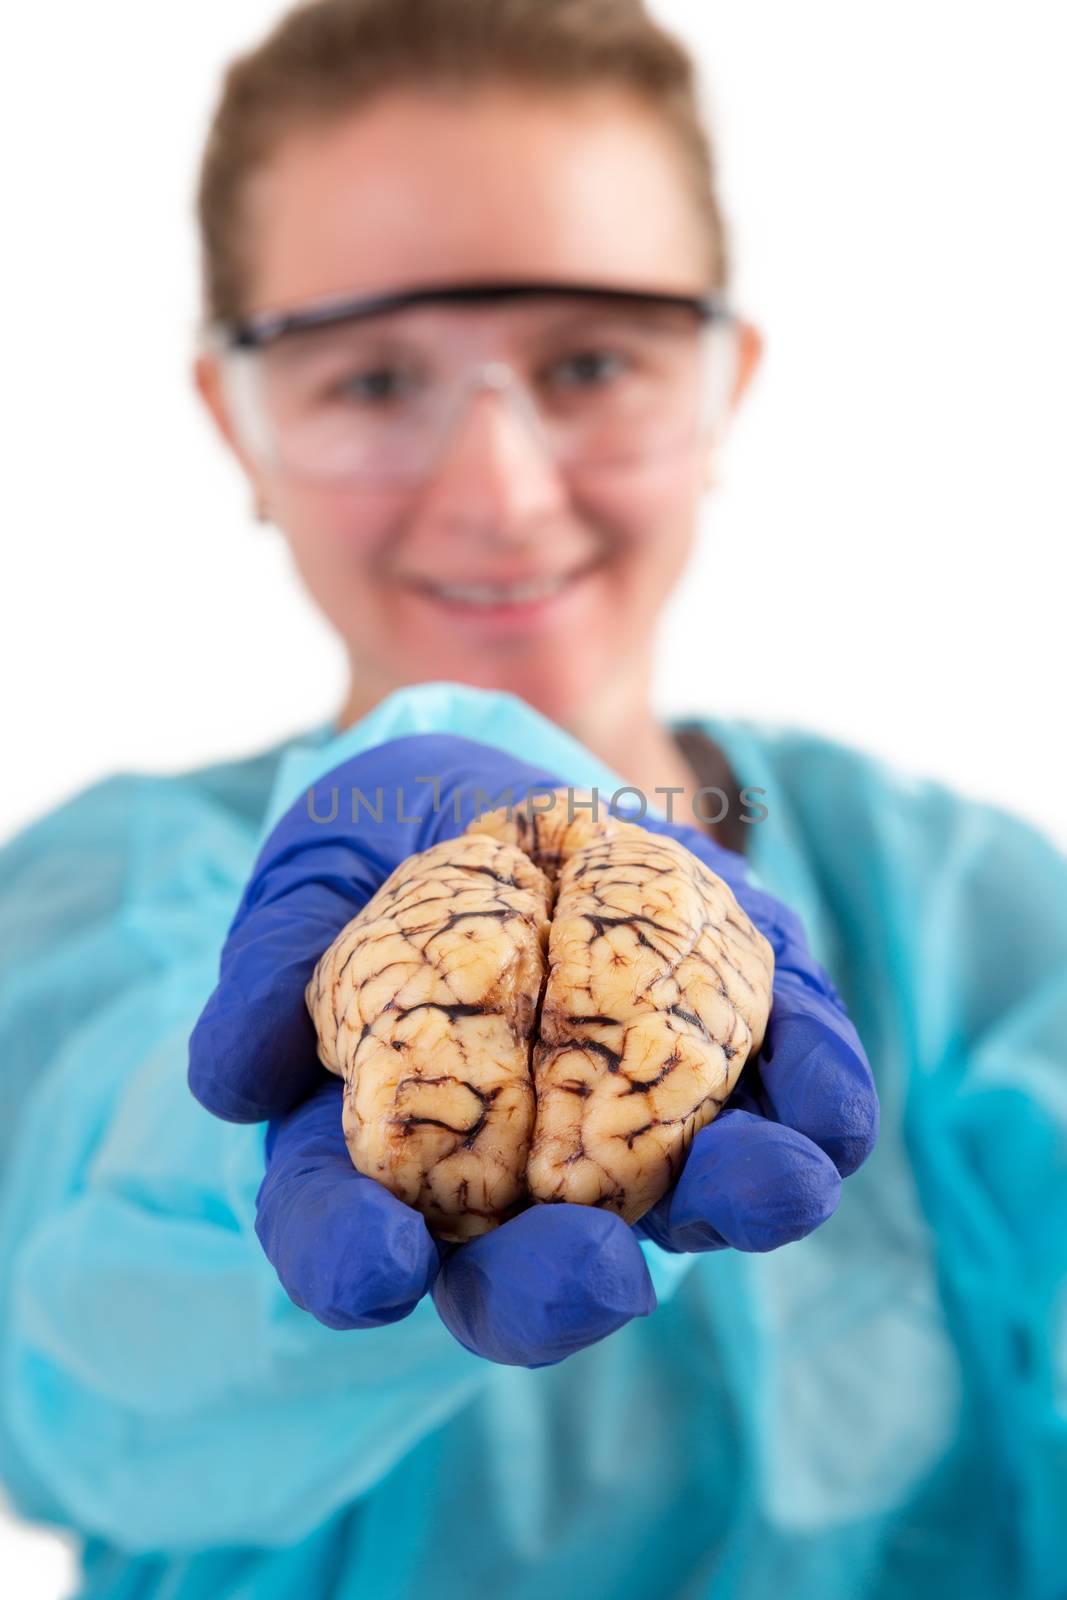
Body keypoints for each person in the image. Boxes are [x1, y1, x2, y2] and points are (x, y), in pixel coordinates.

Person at [0, 2, 1062, 1597]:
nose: (498, 488)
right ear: (239, 420)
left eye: (587, 361)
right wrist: (242, 1172)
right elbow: (66, 1374)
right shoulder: (102, 891)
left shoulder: (951, 897)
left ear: (721, 384)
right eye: (369, 378)